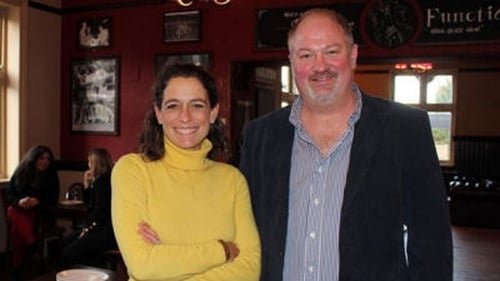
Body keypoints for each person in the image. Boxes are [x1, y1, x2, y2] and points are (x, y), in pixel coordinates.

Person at [238, 8, 452, 281]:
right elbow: (239, 223)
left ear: (352, 55)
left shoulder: (405, 130)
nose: (320, 66)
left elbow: (432, 243)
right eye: (306, 55)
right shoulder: (261, 136)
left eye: (331, 51)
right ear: (293, 62)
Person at [111, 63, 261, 281]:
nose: (185, 117)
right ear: (158, 113)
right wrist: (221, 251)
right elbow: (143, 264)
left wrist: (169, 263)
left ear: (213, 112)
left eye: (197, 105)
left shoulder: (233, 180)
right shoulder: (132, 170)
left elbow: (249, 269)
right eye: (173, 106)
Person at [6, 145, 60, 280]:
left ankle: (16, 266)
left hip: (39, 213)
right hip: (18, 209)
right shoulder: (21, 171)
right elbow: (9, 194)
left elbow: (53, 198)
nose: (45, 161)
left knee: (15, 230)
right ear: (33, 158)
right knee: (14, 211)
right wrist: (20, 201)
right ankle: (32, 245)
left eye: (48, 159)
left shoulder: (51, 175)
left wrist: (38, 201)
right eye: (41, 158)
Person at [58, 147, 117, 268]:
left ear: (95, 163)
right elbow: (91, 206)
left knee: (68, 253)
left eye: (90, 162)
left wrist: (86, 230)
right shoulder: (101, 180)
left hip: (104, 231)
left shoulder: (104, 182)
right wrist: (87, 185)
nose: (88, 165)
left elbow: (99, 212)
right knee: (64, 243)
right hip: (98, 228)